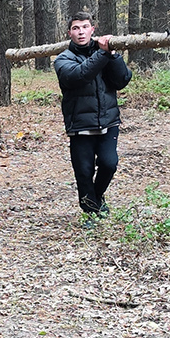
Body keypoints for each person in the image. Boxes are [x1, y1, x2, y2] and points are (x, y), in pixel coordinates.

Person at [54, 12, 133, 216]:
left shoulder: (105, 53)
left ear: (92, 29)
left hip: (109, 121)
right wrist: (103, 54)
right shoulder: (63, 59)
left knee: (109, 164)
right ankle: (90, 213)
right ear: (69, 32)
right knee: (84, 173)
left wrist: (113, 56)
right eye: (76, 28)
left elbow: (122, 80)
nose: (81, 32)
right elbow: (80, 76)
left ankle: (96, 199)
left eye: (85, 27)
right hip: (80, 126)